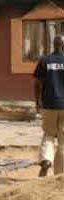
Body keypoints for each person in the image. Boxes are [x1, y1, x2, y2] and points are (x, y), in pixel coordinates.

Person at [33, 34, 64, 177]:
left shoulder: (45, 60)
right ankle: (60, 174)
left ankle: (46, 160)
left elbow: (37, 83)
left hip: (49, 105)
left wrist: (37, 102)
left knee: (48, 135)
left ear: (53, 44)